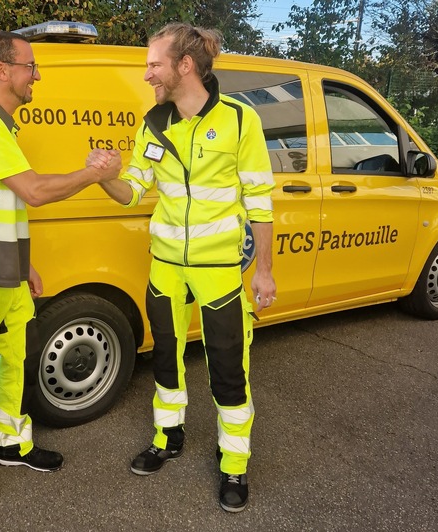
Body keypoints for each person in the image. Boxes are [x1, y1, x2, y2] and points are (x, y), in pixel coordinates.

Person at [88, 23, 276, 513]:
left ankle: (234, 463)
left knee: (229, 369)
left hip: (218, 269)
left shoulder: (240, 121)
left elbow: (260, 202)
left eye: (154, 63)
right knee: (167, 358)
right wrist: (105, 178)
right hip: (166, 267)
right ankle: (166, 437)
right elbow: (132, 189)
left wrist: (265, 272)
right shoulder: (152, 123)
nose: (147, 72)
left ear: (184, 65)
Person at [0, 30, 121, 499]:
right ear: (2, 70)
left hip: (5, 269)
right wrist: (94, 174)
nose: (35, 75)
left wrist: (25, 263)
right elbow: (34, 192)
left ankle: (12, 442)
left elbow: (4, 205)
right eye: (29, 66)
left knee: (17, 355)